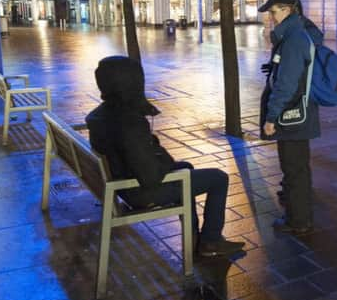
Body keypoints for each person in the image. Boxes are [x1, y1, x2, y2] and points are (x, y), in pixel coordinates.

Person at [86, 56, 244, 257]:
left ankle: (195, 237)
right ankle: (210, 241)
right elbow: (150, 176)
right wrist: (163, 159)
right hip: (138, 191)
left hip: (120, 181)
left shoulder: (99, 114)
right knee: (218, 178)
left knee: (186, 167)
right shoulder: (129, 121)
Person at [259, 0, 322, 234]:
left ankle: (298, 221)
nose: (272, 17)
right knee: (298, 167)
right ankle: (300, 215)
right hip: (300, 110)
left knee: (294, 168)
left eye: (274, 11)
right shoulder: (297, 33)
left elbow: (286, 83)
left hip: (291, 113)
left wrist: (271, 117)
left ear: (287, 9)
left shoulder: (294, 37)